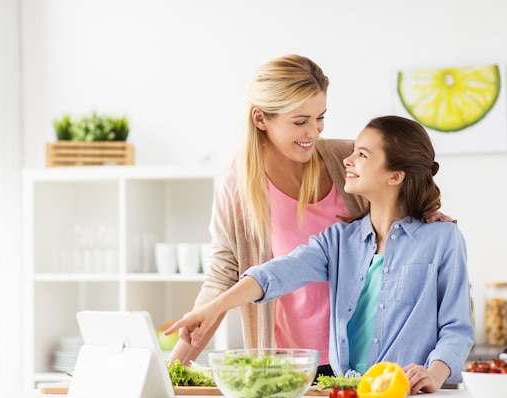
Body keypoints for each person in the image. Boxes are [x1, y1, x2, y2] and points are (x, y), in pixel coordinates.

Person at [168, 54, 451, 376]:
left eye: (320, 118)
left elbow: (403, 184)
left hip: (359, 354)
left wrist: (427, 213)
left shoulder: (349, 158)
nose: (313, 132)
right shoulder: (238, 186)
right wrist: (173, 368)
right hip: (288, 360)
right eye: (300, 121)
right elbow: (225, 277)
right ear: (261, 119)